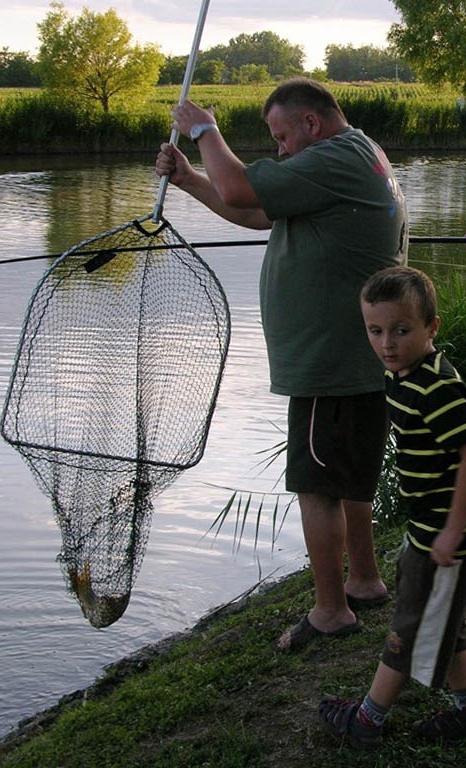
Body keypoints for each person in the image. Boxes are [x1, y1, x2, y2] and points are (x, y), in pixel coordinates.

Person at [155, 78, 408, 651]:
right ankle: (364, 582)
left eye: (281, 135)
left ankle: (330, 611)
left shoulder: (334, 157)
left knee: (317, 487)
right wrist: (191, 180)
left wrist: (205, 130)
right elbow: (257, 212)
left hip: (331, 364)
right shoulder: (356, 153)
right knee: (348, 482)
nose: (280, 149)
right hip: (353, 362)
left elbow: (241, 186)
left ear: (311, 124)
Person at [318, 266, 466, 748]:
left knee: (411, 627)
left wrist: (451, 533)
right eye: (375, 331)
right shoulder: (404, 373)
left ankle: (367, 721)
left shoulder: (435, 386)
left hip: (448, 530)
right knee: (441, 616)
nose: (387, 343)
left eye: (401, 330)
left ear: (431, 328)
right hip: (432, 524)